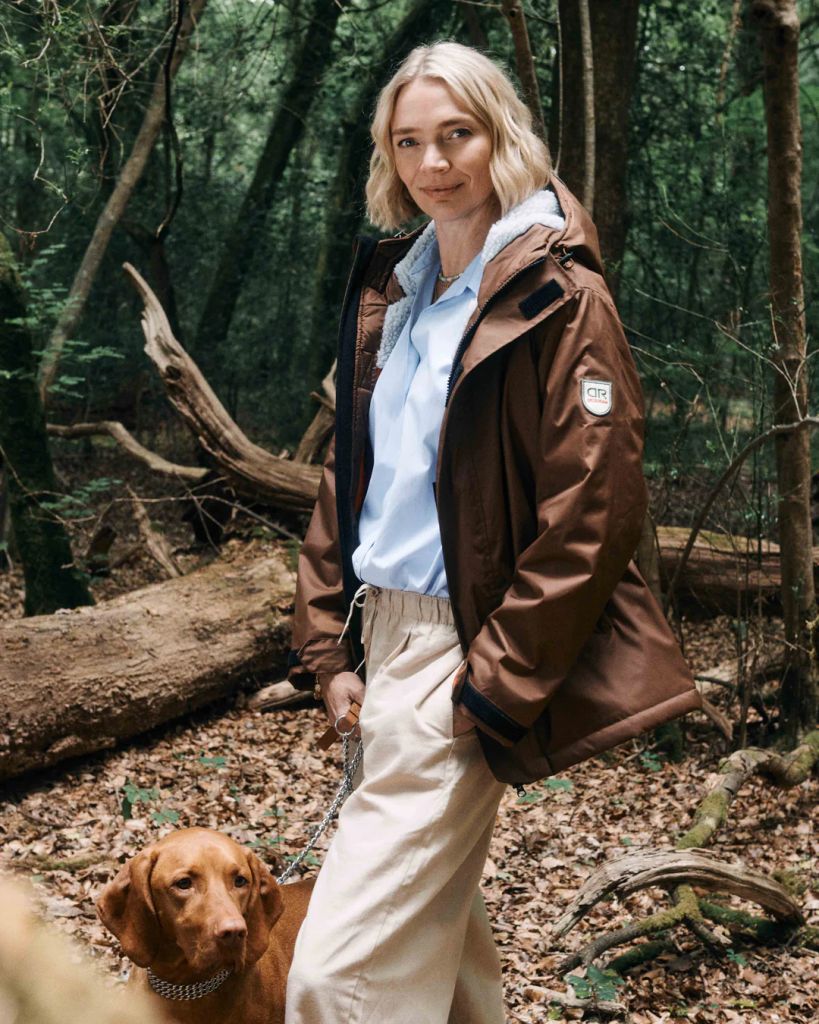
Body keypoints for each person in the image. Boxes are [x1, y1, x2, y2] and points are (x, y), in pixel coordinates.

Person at [283, 41, 701, 1024]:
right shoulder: (398, 290)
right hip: (382, 641)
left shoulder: (562, 294)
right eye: (411, 142)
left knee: (334, 981)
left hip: (463, 651)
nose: (435, 164)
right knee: (443, 961)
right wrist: (326, 642)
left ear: (501, 134)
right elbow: (352, 477)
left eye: (457, 135)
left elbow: (593, 506)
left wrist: (496, 681)